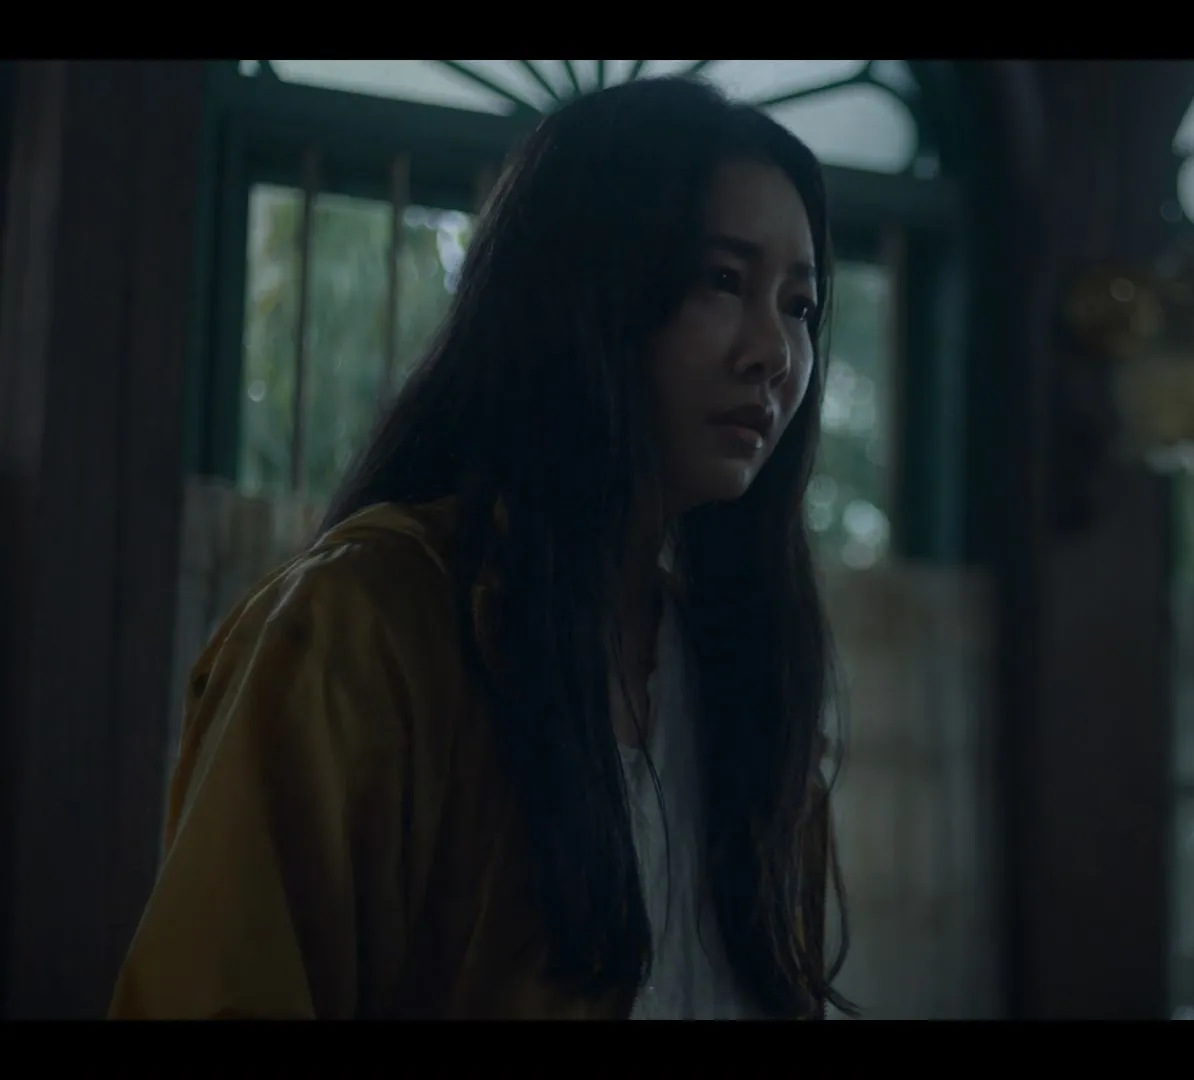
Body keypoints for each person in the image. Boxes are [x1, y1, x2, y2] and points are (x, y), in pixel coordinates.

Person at [110, 77, 854, 1020]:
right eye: (723, 280)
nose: (774, 353)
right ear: (589, 286)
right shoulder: (365, 628)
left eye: (800, 306)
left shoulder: (745, 680)